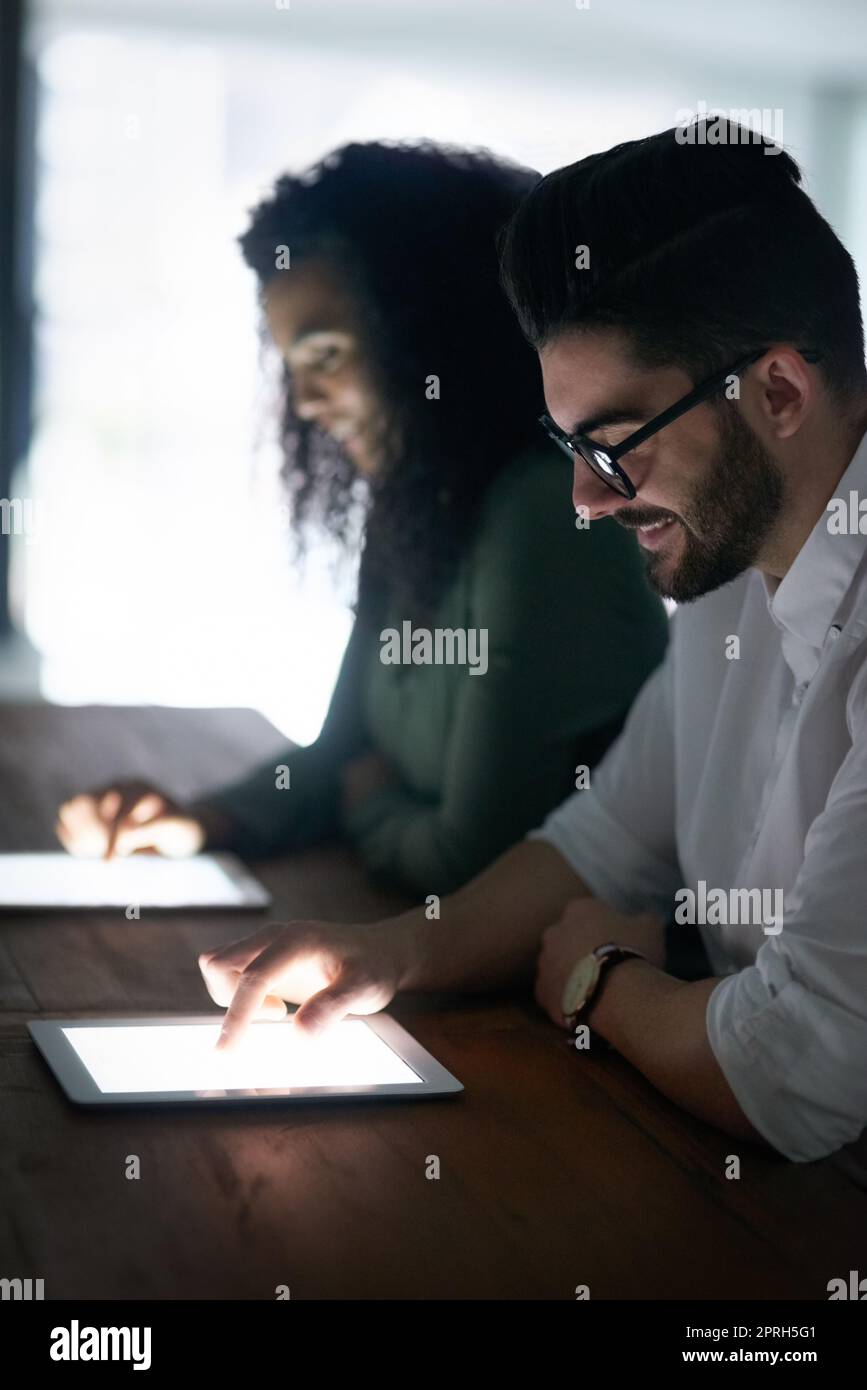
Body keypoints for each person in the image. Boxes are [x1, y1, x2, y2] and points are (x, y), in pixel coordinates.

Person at [199, 121, 867, 1164]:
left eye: (614, 442)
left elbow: (788, 1068)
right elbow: (597, 842)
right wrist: (385, 955)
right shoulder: (728, 582)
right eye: (568, 445)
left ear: (778, 392)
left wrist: (599, 978)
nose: (585, 498)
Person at [56, 142, 668, 896]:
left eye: (326, 354)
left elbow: (470, 865)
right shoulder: (417, 508)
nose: (306, 403)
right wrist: (198, 819)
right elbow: (338, 753)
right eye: (292, 367)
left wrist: (370, 801)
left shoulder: (545, 518)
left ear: (432, 330)